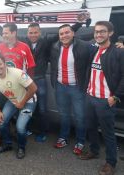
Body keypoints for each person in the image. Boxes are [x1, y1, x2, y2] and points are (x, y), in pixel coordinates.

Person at [79, 21, 124, 175]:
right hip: (90, 97)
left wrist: (116, 96)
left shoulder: (118, 52)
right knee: (91, 127)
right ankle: (94, 151)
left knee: (108, 133)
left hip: (106, 100)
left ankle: (111, 163)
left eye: (102, 31)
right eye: (96, 31)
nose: (99, 34)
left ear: (110, 33)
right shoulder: (93, 49)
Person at [50, 24, 90, 155]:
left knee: (80, 116)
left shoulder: (84, 46)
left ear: (73, 33)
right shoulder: (55, 47)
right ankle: (63, 137)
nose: (64, 36)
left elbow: (101, 48)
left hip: (77, 88)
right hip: (60, 86)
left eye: (67, 32)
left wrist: (119, 45)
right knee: (64, 115)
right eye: (61, 34)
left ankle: (80, 141)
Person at [0, 56, 37, 159]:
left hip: (28, 101)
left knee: (20, 127)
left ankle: (21, 147)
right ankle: (7, 144)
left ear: (5, 63)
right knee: (1, 122)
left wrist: (22, 103)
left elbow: (33, 88)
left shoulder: (18, 73)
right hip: (13, 101)